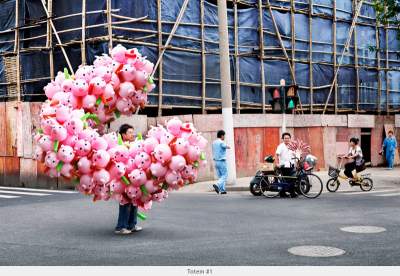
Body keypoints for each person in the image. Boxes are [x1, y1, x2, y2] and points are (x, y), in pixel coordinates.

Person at [114, 124, 142, 235]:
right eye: (130, 132)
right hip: (123, 178)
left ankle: (132, 225)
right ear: (123, 134)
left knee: (134, 201)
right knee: (125, 201)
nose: (132, 134)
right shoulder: (119, 146)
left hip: (133, 177)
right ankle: (121, 227)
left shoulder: (134, 144)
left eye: (132, 132)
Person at [275, 132, 297, 198]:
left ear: (290, 139)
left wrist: (297, 162)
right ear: (283, 139)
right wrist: (277, 163)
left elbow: (295, 154)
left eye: (288, 138)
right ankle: (287, 193)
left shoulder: (292, 146)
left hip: (291, 165)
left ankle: (288, 192)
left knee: (292, 179)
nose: (286, 139)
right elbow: (276, 155)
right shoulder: (281, 146)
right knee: (287, 180)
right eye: (285, 138)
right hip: (284, 166)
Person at [212, 130, 230, 195]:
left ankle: (222, 190)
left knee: (221, 177)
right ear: (222, 135)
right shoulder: (221, 142)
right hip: (221, 161)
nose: (224, 137)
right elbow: (224, 146)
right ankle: (217, 184)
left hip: (216, 162)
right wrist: (228, 147)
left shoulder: (214, 142)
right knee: (225, 175)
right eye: (224, 135)